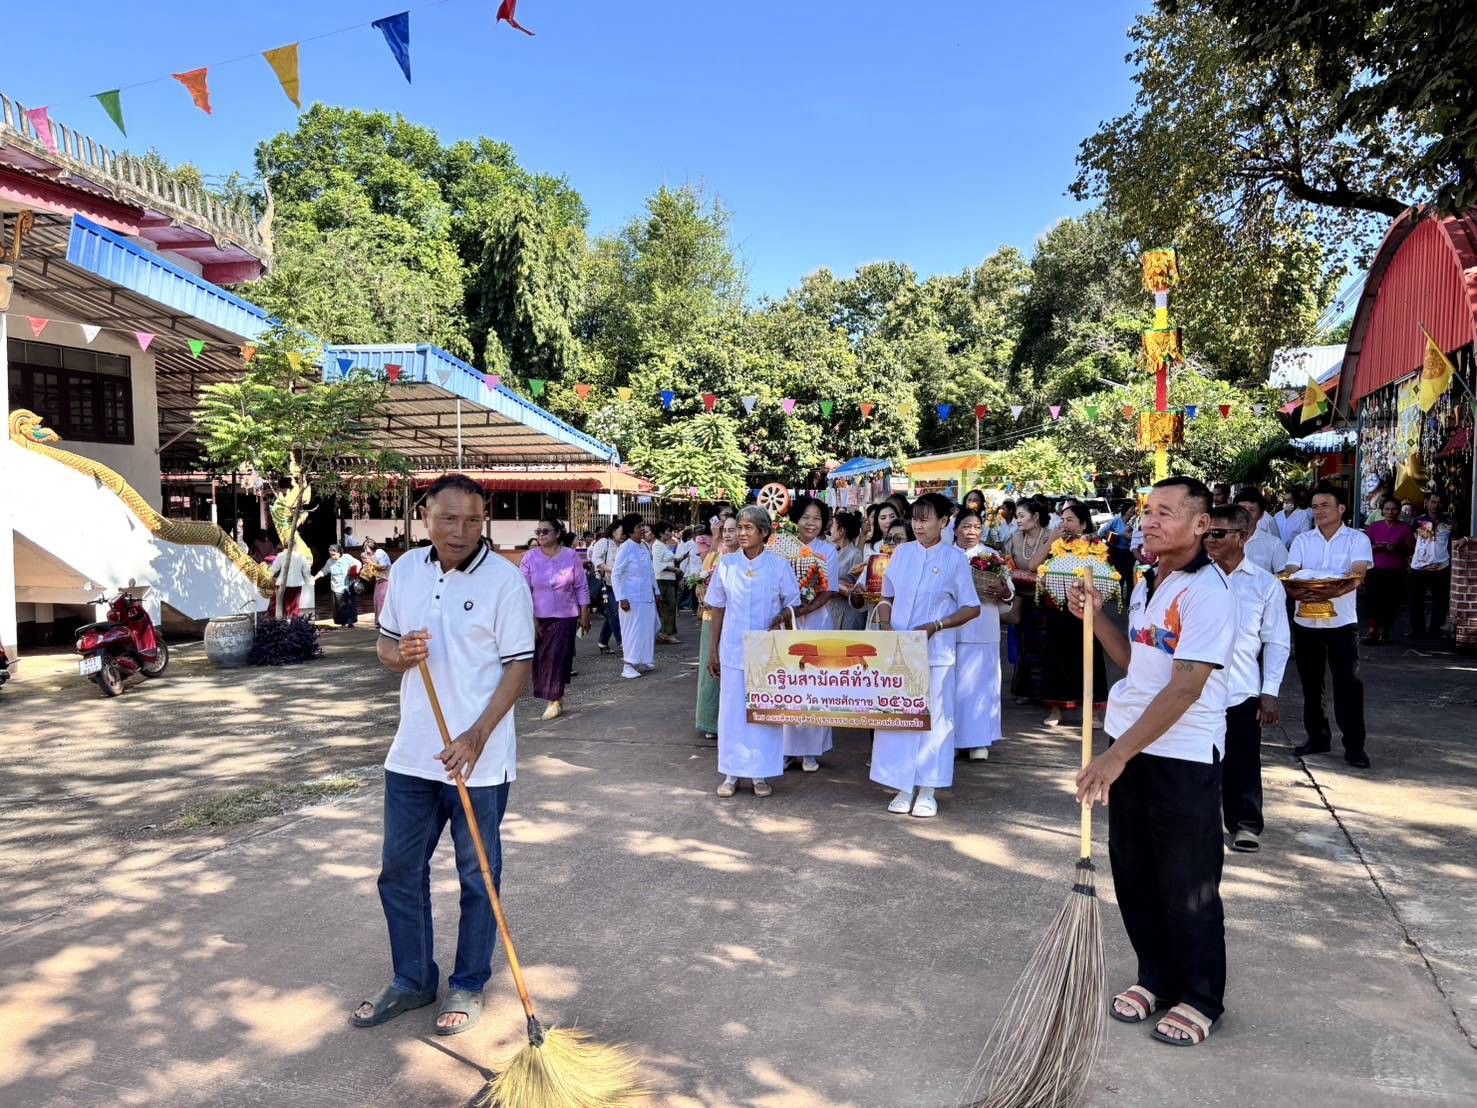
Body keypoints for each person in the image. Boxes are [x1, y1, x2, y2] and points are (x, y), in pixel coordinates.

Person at [352, 473, 534, 1037]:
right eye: (449, 519)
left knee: (478, 875)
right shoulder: (405, 570)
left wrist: (477, 736)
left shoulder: (506, 582)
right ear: (425, 515)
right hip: (411, 755)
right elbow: (385, 645)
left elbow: (518, 667)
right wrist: (397, 654)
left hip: (478, 760)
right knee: (399, 872)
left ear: (485, 522)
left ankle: (469, 982)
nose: (460, 531)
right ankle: (413, 980)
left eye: (473, 521)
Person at [1070, 475, 1235, 1047]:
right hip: (1131, 742)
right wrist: (1096, 618)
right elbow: (1136, 662)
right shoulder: (1147, 581)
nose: (1151, 520)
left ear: (1201, 524)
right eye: (1148, 510)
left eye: (1166, 512)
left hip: (1181, 753)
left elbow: (1186, 687)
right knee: (1135, 872)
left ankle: (1200, 997)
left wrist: (1114, 757)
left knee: (1188, 881)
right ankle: (1155, 976)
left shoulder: (1208, 592)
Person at [872, 493, 981, 818]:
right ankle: (903, 786)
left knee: (934, 721)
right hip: (900, 653)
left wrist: (937, 625)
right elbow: (887, 594)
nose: (918, 525)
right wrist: (887, 622)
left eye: (926, 519)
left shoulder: (954, 559)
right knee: (899, 718)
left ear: (944, 522)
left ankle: (928, 789)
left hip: (935, 654)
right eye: (915, 518)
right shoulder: (901, 553)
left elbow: (971, 607)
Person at [1204, 505, 1290, 854]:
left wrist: (1269, 693)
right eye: (1207, 532)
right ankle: (1200, 823)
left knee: (1243, 761)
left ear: (1242, 537)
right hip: (1195, 690)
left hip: (1241, 690)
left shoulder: (1265, 585)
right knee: (1198, 761)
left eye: (1218, 533)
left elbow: (1277, 641)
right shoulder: (1192, 577)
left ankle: (1246, 825)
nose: (1209, 539)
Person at [706, 506, 801, 797]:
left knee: (763, 713)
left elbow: (793, 602)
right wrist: (713, 650)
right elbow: (717, 608)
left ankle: (760, 773)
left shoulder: (778, 566)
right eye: (738, 528)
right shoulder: (727, 564)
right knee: (733, 713)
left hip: (767, 653)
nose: (742, 534)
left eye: (749, 528)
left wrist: (781, 616)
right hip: (733, 648)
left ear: (764, 533)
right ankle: (731, 774)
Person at [1283, 482, 1373, 768]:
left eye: (1325, 506)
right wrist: (1302, 581)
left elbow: (1358, 575)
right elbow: (1290, 572)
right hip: (1306, 623)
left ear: (1341, 509)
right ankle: (1318, 737)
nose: (1318, 511)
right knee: (1311, 686)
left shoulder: (1357, 539)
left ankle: (1355, 746)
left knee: (1348, 686)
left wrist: (1319, 585)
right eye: (1314, 507)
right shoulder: (1302, 540)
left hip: (1342, 623)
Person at [1040, 500, 1109, 729]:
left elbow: (1104, 575)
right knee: (1058, 657)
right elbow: (1034, 566)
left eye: (1070, 520)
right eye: (1063, 520)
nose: (1065, 524)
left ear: (1083, 524)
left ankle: (1092, 712)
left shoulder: (1096, 545)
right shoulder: (1056, 544)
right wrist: (1051, 540)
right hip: (1058, 609)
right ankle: (1056, 708)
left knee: (1089, 656)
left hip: (1086, 609)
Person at [953, 508, 1013, 761]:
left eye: (976, 527)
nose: (971, 532)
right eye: (966, 526)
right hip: (953, 631)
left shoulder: (992, 556)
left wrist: (1000, 591)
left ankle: (979, 741)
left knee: (982, 688)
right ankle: (953, 740)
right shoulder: (946, 555)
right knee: (954, 689)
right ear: (954, 528)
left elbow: (1008, 596)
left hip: (984, 630)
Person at [783, 495, 837, 771]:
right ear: (796, 519)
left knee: (816, 685)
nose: (811, 523)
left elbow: (829, 590)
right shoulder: (781, 548)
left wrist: (804, 609)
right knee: (788, 683)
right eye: (806, 517)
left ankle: (811, 751)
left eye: (817, 518)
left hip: (816, 623)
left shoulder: (828, 551)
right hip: (787, 623)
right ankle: (786, 748)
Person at [519, 517, 591, 721]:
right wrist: (530, 618)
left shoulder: (570, 556)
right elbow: (522, 590)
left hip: (565, 615)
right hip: (538, 616)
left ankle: (555, 699)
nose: (540, 535)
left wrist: (584, 612)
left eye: (545, 531)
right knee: (541, 660)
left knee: (557, 658)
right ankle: (553, 696)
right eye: (538, 531)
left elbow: (581, 586)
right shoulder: (529, 557)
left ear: (557, 534)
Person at [1004, 499, 1054, 705]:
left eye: (1022, 516)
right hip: (1022, 599)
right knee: (1024, 644)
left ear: (1035, 517)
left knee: (1045, 646)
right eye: (1017, 516)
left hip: (1046, 599)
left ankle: (1045, 692)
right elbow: (1006, 564)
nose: (1018, 520)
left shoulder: (1052, 537)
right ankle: (1025, 691)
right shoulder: (1015, 539)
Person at [696, 515, 741, 740]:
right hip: (711, 618)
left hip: (736, 621)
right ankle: (710, 722)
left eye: (733, 530)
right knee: (711, 668)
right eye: (725, 530)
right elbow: (700, 585)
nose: (728, 534)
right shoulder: (714, 556)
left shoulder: (746, 559)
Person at [1362, 496, 1415, 644]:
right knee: (1373, 600)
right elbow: (1364, 547)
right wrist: (1377, 547)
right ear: (1382, 511)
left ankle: (1385, 629)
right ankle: (1372, 630)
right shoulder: (1374, 526)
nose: (1390, 512)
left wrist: (1398, 548)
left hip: (1396, 570)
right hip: (1376, 569)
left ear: (1398, 511)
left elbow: (1411, 549)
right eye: (1387, 509)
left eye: (1393, 509)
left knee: (1391, 601)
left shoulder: (1405, 528)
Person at [613, 516, 660, 679]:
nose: (642, 529)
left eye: (643, 526)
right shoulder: (625, 548)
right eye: (639, 526)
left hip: (647, 596)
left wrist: (657, 591)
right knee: (632, 632)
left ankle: (643, 659)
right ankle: (628, 665)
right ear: (630, 530)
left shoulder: (645, 546)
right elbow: (615, 574)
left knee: (649, 629)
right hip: (631, 599)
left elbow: (650, 571)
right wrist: (621, 598)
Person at [1409, 491, 1453, 639]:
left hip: (1442, 565)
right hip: (1420, 565)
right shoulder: (1418, 521)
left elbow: (1454, 540)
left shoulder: (1449, 522)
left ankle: (1436, 628)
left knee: (1440, 600)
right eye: (1433, 502)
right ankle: (1417, 629)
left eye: (1439, 502)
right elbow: (1421, 537)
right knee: (1417, 600)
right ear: (1427, 503)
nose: (1436, 505)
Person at [1233, 488, 1289, 574]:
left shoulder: (1274, 544)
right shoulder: (1221, 539)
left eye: (1251, 510)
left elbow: (1284, 576)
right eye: (1242, 509)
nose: (1246, 514)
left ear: (1261, 515)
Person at [589, 521, 624, 654]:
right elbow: (596, 561)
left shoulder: (624, 545)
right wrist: (612, 570)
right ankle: (622, 642)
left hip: (620, 584)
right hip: (605, 584)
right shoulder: (604, 542)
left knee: (611, 613)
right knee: (614, 612)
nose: (623, 536)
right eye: (621, 532)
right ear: (614, 531)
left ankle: (603, 642)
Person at [828, 511, 866, 631]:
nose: (830, 530)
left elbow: (858, 587)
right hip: (833, 607)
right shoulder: (832, 551)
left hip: (849, 611)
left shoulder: (855, 554)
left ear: (841, 531)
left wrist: (842, 587)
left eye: (833, 525)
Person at [651, 521, 683, 645]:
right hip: (663, 579)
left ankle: (668, 632)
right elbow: (657, 565)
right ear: (661, 533)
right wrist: (674, 569)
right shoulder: (657, 546)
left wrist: (678, 560)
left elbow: (667, 560)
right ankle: (667, 633)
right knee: (668, 607)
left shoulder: (663, 545)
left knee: (670, 606)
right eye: (668, 531)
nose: (670, 534)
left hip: (669, 579)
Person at [320, 544, 361, 627]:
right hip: (336, 587)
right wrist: (314, 578)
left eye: (333, 554)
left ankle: (350, 622)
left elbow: (358, 563)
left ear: (339, 552)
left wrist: (355, 573)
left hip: (348, 586)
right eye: (330, 554)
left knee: (349, 604)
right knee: (339, 606)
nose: (332, 556)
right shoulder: (330, 561)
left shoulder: (347, 557)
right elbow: (324, 571)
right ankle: (342, 622)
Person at [270, 541, 315, 618]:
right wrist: (308, 581)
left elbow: (274, 569)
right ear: (295, 546)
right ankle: (293, 622)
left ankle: (283, 622)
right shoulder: (300, 556)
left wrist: (267, 576)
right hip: (296, 583)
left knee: (283, 604)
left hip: (282, 584)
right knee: (294, 605)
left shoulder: (280, 555)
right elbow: (306, 570)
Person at [1099, 502, 1137, 585]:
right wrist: (1107, 541)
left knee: (1130, 577)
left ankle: (1129, 598)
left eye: (1134, 510)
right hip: (1117, 553)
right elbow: (1102, 532)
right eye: (1131, 510)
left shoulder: (1134, 522)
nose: (1133, 512)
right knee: (1119, 576)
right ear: (1125, 510)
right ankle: (1119, 595)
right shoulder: (1116, 520)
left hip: (1129, 553)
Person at [362, 538, 394, 626]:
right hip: (379, 579)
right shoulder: (371, 555)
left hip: (386, 579)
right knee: (376, 600)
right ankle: (379, 621)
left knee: (381, 600)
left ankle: (383, 621)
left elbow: (383, 566)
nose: (365, 550)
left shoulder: (379, 552)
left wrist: (370, 563)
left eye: (366, 548)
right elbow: (370, 570)